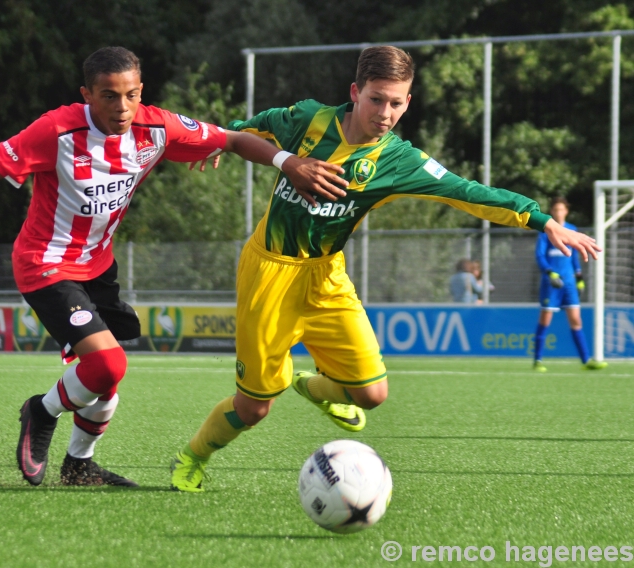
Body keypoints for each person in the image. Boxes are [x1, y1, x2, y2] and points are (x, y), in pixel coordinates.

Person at [0, 46, 349, 487]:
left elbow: (234, 138)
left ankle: (79, 465)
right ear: (87, 95)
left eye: (132, 94)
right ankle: (41, 412)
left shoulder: (156, 127)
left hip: (98, 268)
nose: (123, 107)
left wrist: (286, 162)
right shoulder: (55, 131)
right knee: (106, 363)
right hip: (46, 265)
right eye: (109, 96)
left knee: (104, 376)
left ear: (141, 91)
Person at [169, 45, 601, 492]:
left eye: (396, 103)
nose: (385, 112)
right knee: (254, 407)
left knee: (373, 395)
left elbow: (467, 191)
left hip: (326, 277)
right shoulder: (310, 120)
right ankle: (191, 458)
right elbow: (252, 127)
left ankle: (314, 387)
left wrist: (542, 220)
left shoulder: (399, 160)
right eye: (376, 99)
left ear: (408, 102)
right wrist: (218, 139)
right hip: (270, 273)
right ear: (355, 92)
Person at [532, 196, 607, 372]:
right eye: (555, 209)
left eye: (561, 209)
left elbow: (574, 257)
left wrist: (579, 277)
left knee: (576, 320)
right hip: (552, 283)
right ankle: (538, 361)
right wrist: (550, 272)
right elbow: (540, 256)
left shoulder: (572, 229)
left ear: (566, 211)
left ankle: (585, 361)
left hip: (569, 283)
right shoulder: (545, 231)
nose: (559, 212)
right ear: (552, 211)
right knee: (545, 320)